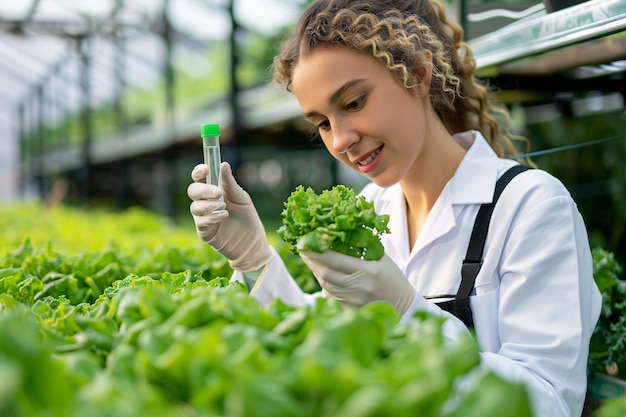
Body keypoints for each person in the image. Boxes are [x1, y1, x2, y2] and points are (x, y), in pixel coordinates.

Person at [187, 0, 601, 415]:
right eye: (324, 123)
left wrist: (407, 313)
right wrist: (254, 257)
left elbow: (548, 400)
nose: (340, 140)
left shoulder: (531, 209)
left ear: (419, 74)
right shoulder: (371, 208)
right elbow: (327, 349)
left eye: (353, 103)